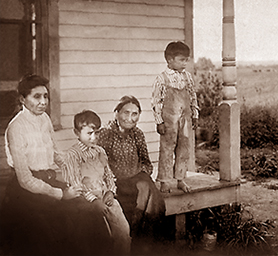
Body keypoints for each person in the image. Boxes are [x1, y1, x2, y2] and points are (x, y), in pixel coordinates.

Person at [0, 74, 111, 256]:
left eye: (45, 96)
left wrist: (78, 166)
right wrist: (61, 194)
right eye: (37, 97)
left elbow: (55, 153)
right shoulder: (16, 128)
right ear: (22, 99)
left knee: (90, 210)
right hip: (26, 193)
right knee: (55, 228)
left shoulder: (44, 119)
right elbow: (26, 180)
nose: (43, 102)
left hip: (49, 181)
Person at [60, 110, 131, 255]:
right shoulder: (72, 155)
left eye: (97, 133)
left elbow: (109, 174)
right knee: (103, 236)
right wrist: (94, 201)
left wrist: (111, 191)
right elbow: (75, 182)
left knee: (123, 232)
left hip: (106, 197)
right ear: (77, 132)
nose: (94, 137)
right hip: (88, 201)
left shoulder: (100, 151)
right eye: (89, 133)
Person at [98, 95, 166, 243]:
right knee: (146, 190)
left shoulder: (138, 134)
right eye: (126, 112)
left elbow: (147, 163)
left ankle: (143, 242)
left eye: (135, 114)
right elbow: (100, 167)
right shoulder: (106, 134)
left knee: (148, 191)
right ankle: (140, 242)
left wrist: (137, 175)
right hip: (115, 185)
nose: (130, 118)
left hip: (136, 181)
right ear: (116, 113)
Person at [152, 41, 199, 193]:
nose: (185, 63)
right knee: (167, 149)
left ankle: (180, 179)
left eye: (187, 59)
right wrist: (159, 121)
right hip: (169, 120)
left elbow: (193, 96)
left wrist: (195, 115)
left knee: (183, 148)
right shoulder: (162, 79)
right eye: (181, 59)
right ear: (170, 59)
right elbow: (156, 102)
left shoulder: (188, 77)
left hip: (184, 119)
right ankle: (164, 181)